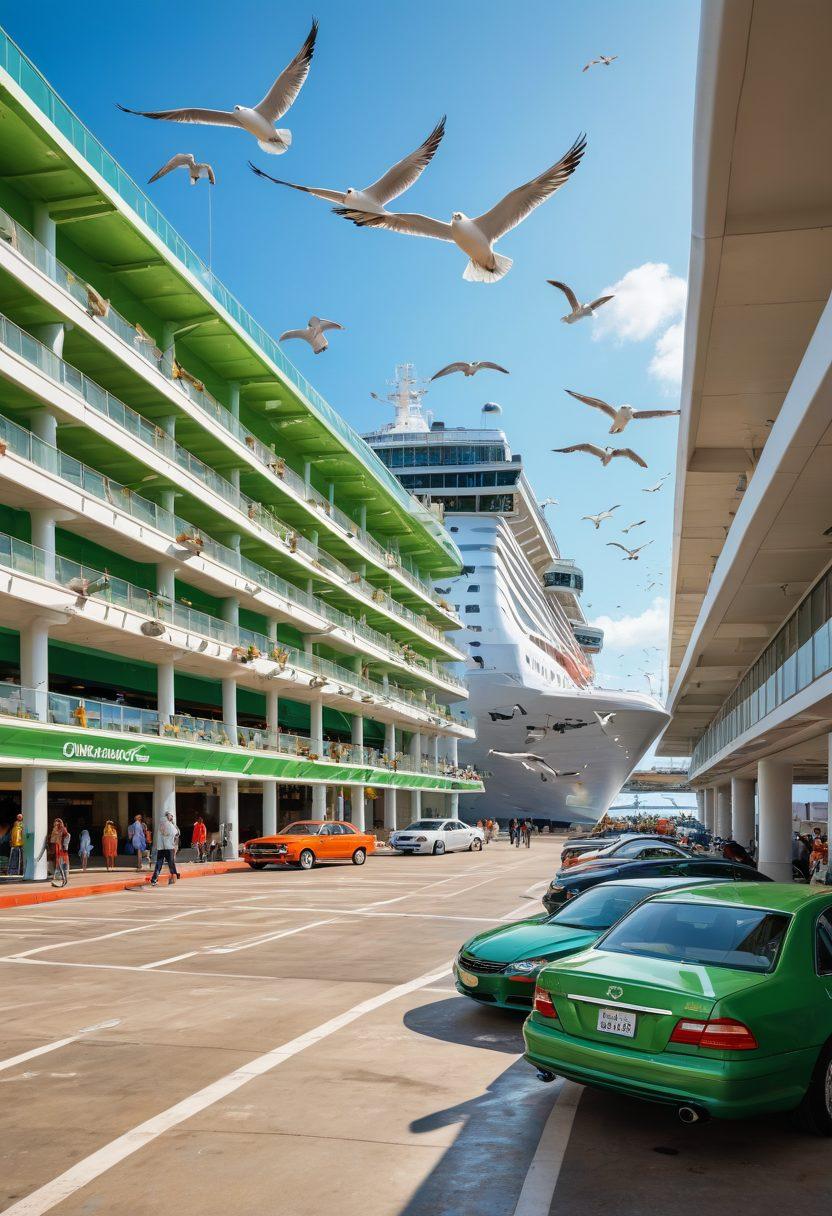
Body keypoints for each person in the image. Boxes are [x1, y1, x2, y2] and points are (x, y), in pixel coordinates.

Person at [150, 810, 180, 886]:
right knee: (171, 863)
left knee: (159, 863)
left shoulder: (161, 823)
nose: (172, 817)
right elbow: (176, 833)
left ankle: (154, 879)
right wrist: (173, 825)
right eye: (171, 816)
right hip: (168, 847)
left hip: (161, 847)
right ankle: (174, 877)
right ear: (168, 816)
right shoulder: (168, 824)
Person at [8, 812, 24, 877]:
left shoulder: (22, 825)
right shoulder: (14, 827)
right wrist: (11, 841)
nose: (19, 818)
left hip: (20, 844)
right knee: (14, 858)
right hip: (14, 845)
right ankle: (12, 871)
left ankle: (19, 871)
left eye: (20, 817)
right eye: (18, 817)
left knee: (20, 858)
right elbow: (12, 835)